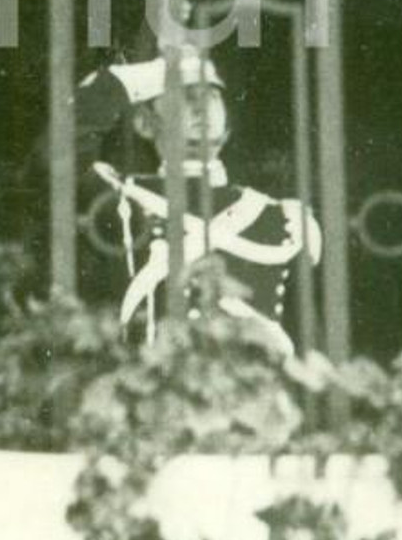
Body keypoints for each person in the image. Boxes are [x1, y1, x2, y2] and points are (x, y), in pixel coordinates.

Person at [72, 47, 321, 354]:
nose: (201, 107)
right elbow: (54, 158)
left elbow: (312, 347)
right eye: (185, 95)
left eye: (212, 96)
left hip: (255, 396)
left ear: (228, 127)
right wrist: (130, 81)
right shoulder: (121, 201)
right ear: (145, 124)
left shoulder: (282, 219)